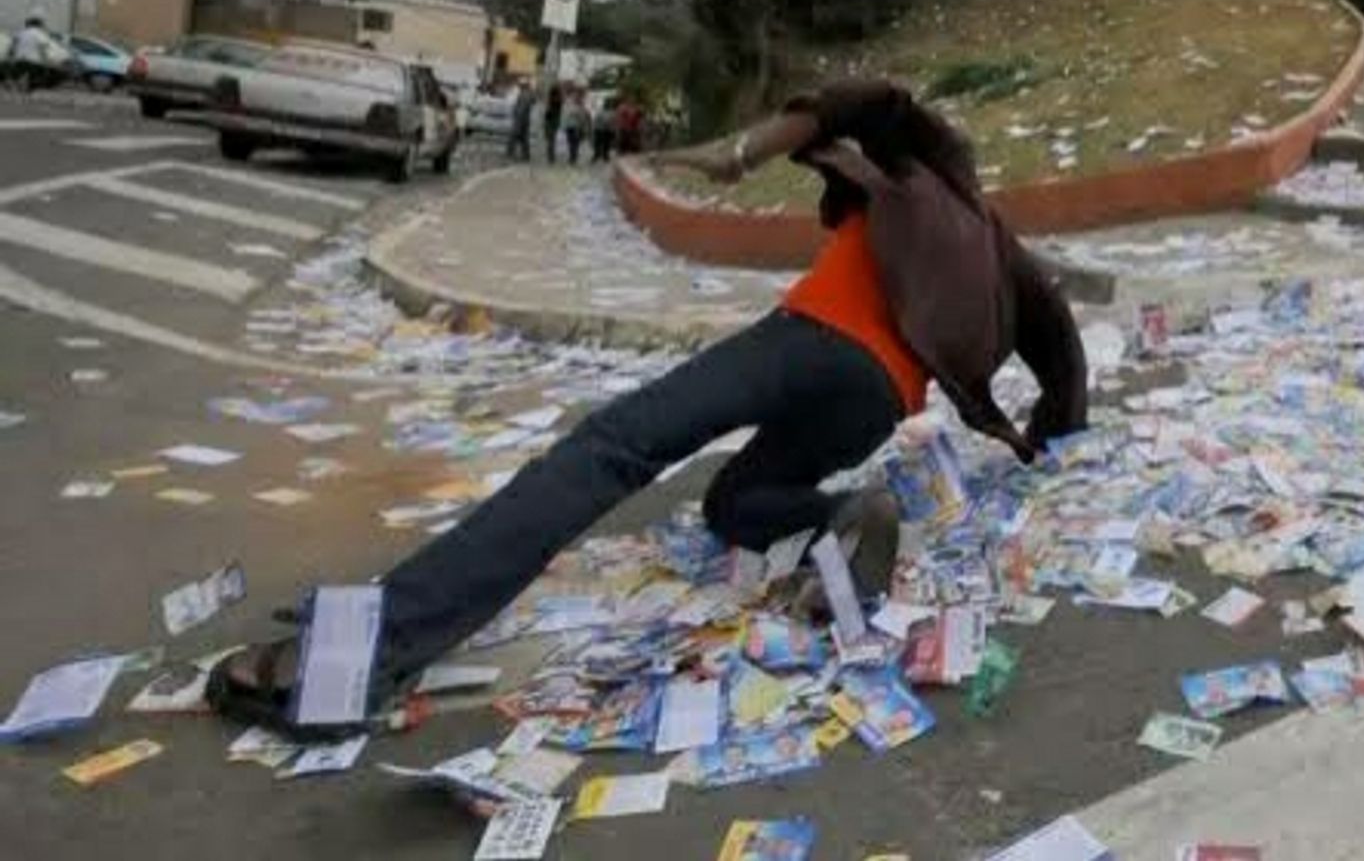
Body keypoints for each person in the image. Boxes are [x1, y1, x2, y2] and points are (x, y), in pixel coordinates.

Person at [207, 79, 1088, 730]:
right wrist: (1052, 432)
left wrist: (752, 145)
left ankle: (360, 657)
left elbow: (878, 100)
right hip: (878, 399)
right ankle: (839, 516)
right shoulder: (1003, 252)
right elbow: (1063, 352)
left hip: (811, 336)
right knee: (732, 502)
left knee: (614, 446)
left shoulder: (939, 167)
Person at [4, 16, 72, 92]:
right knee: (44, 75)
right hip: (34, 62)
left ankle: (15, 82)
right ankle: (30, 86)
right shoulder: (40, 34)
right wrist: (46, 61)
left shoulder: (20, 33)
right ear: (39, 25)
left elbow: (12, 47)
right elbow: (43, 48)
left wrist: (10, 59)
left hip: (19, 61)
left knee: (17, 73)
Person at [561, 86, 591, 164]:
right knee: (573, 142)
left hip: (575, 126)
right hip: (572, 126)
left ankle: (573, 157)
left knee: (574, 142)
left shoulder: (578, 103)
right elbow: (568, 114)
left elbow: (582, 115)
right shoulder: (572, 103)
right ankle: (573, 157)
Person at [505, 82, 534, 162]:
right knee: (524, 139)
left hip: (520, 119)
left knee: (513, 136)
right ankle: (526, 155)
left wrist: (516, 115)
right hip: (525, 120)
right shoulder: (528, 94)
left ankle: (510, 153)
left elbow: (521, 108)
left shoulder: (524, 95)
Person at [590, 91, 617, 164]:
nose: (609, 105)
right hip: (600, 129)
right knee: (599, 143)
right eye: (608, 103)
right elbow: (596, 120)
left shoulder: (612, 112)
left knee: (605, 144)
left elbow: (614, 121)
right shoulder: (602, 111)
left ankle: (604, 156)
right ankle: (598, 155)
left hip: (606, 130)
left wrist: (613, 129)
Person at [541, 81, 563, 164]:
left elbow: (549, 113)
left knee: (550, 140)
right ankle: (551, 157)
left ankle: (551, 157)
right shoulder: (558, 100)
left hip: (551, 122)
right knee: (551, 140)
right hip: (554, 122)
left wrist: (547, 110)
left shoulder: (553, 101)